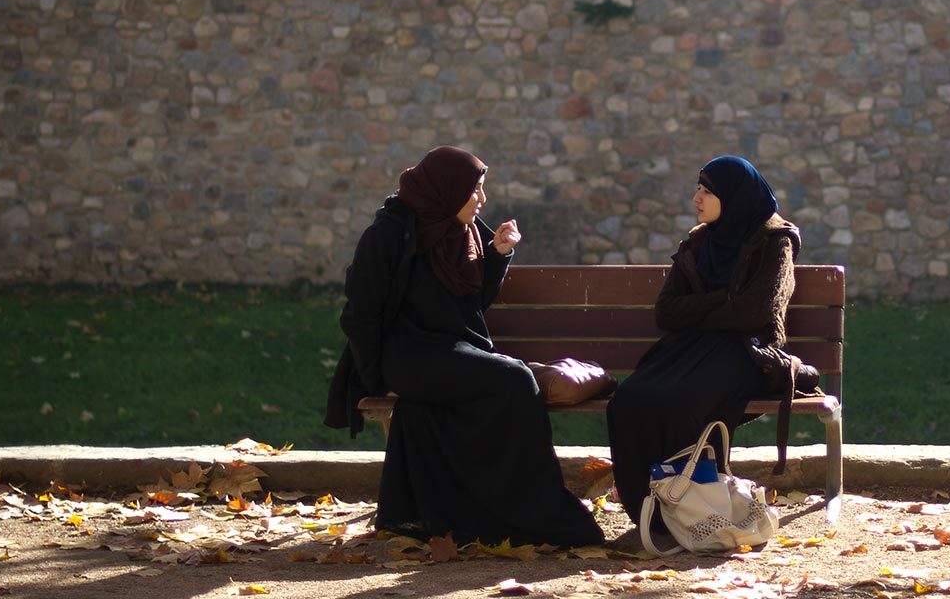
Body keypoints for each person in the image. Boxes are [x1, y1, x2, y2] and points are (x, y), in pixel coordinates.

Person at [323, 145, 603, 547]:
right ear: (447, 189)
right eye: (475, 190)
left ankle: (462, 514)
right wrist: (377, 379)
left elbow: (470, 302)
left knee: (470, 395)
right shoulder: (389, 235)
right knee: (514, 380)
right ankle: (540, 512)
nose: (482, 200)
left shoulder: (463, 233)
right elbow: (359, 317)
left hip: (450, 352)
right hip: (406, 357)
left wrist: (499, 256)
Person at [605, 155, 802, 526]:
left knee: (683, 402)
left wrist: (699, 311)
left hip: (747, 352)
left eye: (707, 191)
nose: (696, 198)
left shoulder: (775, 242)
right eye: (697, 189)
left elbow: (756, 312)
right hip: (691, 350)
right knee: (629, 400)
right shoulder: (698, 243)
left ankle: (692, 512)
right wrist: (725, 299)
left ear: (734, 196)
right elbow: (666, 312)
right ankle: (650, 512)